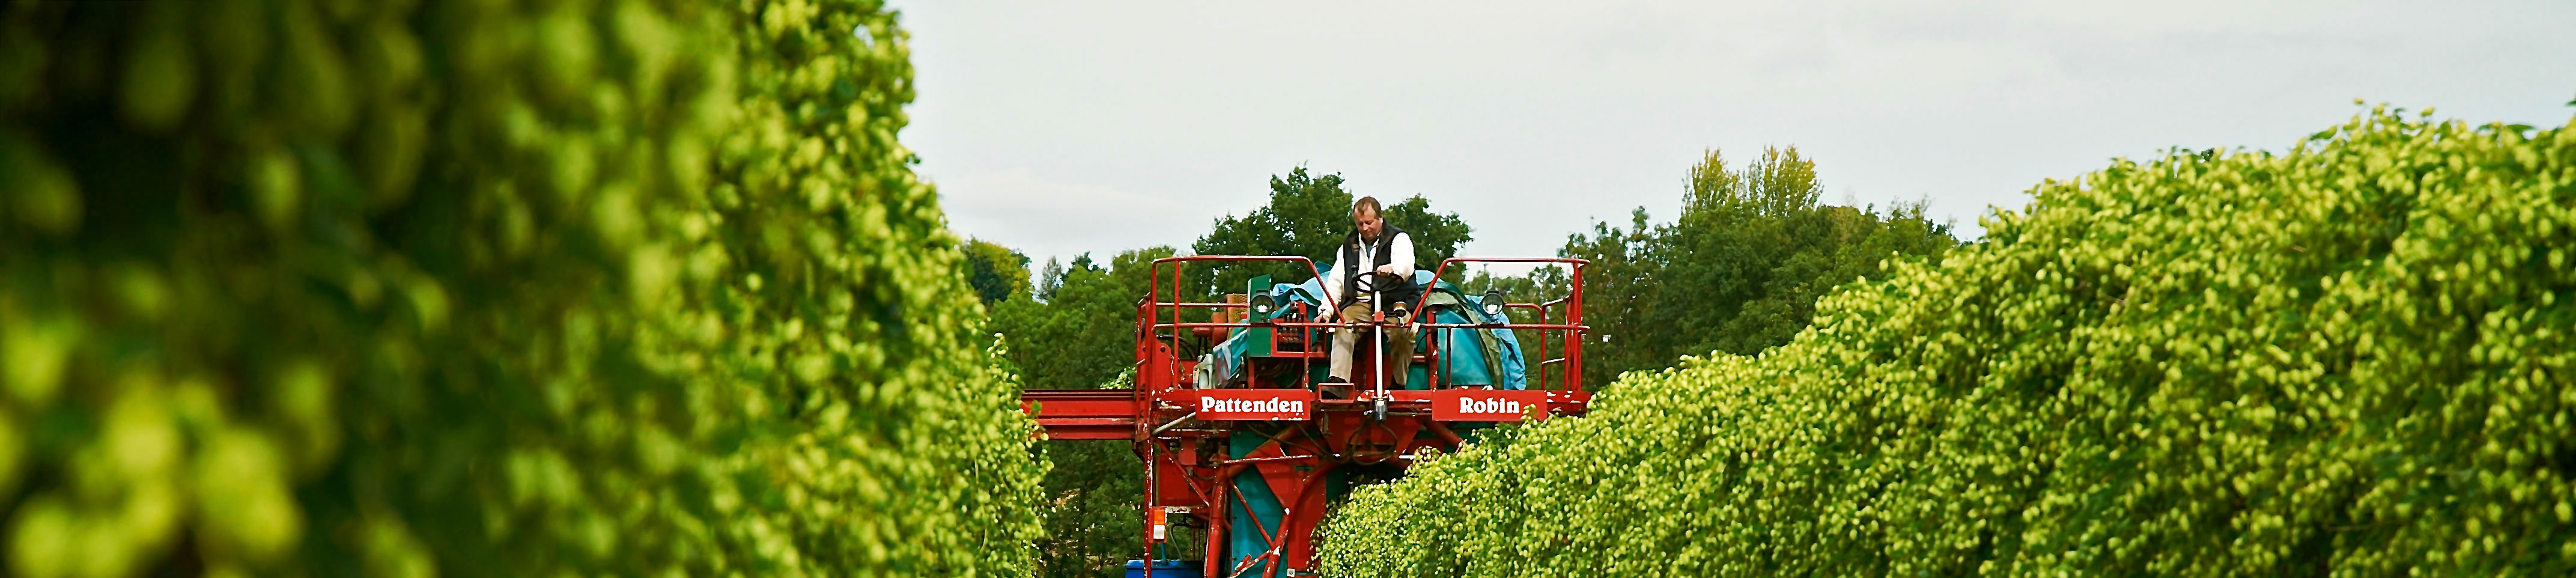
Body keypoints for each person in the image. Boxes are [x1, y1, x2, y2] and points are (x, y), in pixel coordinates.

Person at [1317, 196, 1416, 395]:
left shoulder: (1399, 239)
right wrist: (1326, 312)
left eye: (1369, 223)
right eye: (1360, 224)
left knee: (1404, 331)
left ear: (1381, 218)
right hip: (1360, 303)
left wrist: (1393, 270)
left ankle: (1399, 382)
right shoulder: (1348, 246)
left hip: (1394, 302)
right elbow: (1336, 280)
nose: (1365, 228)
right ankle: (1338, 382)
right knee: (1343, 325)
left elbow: (1406, 265)